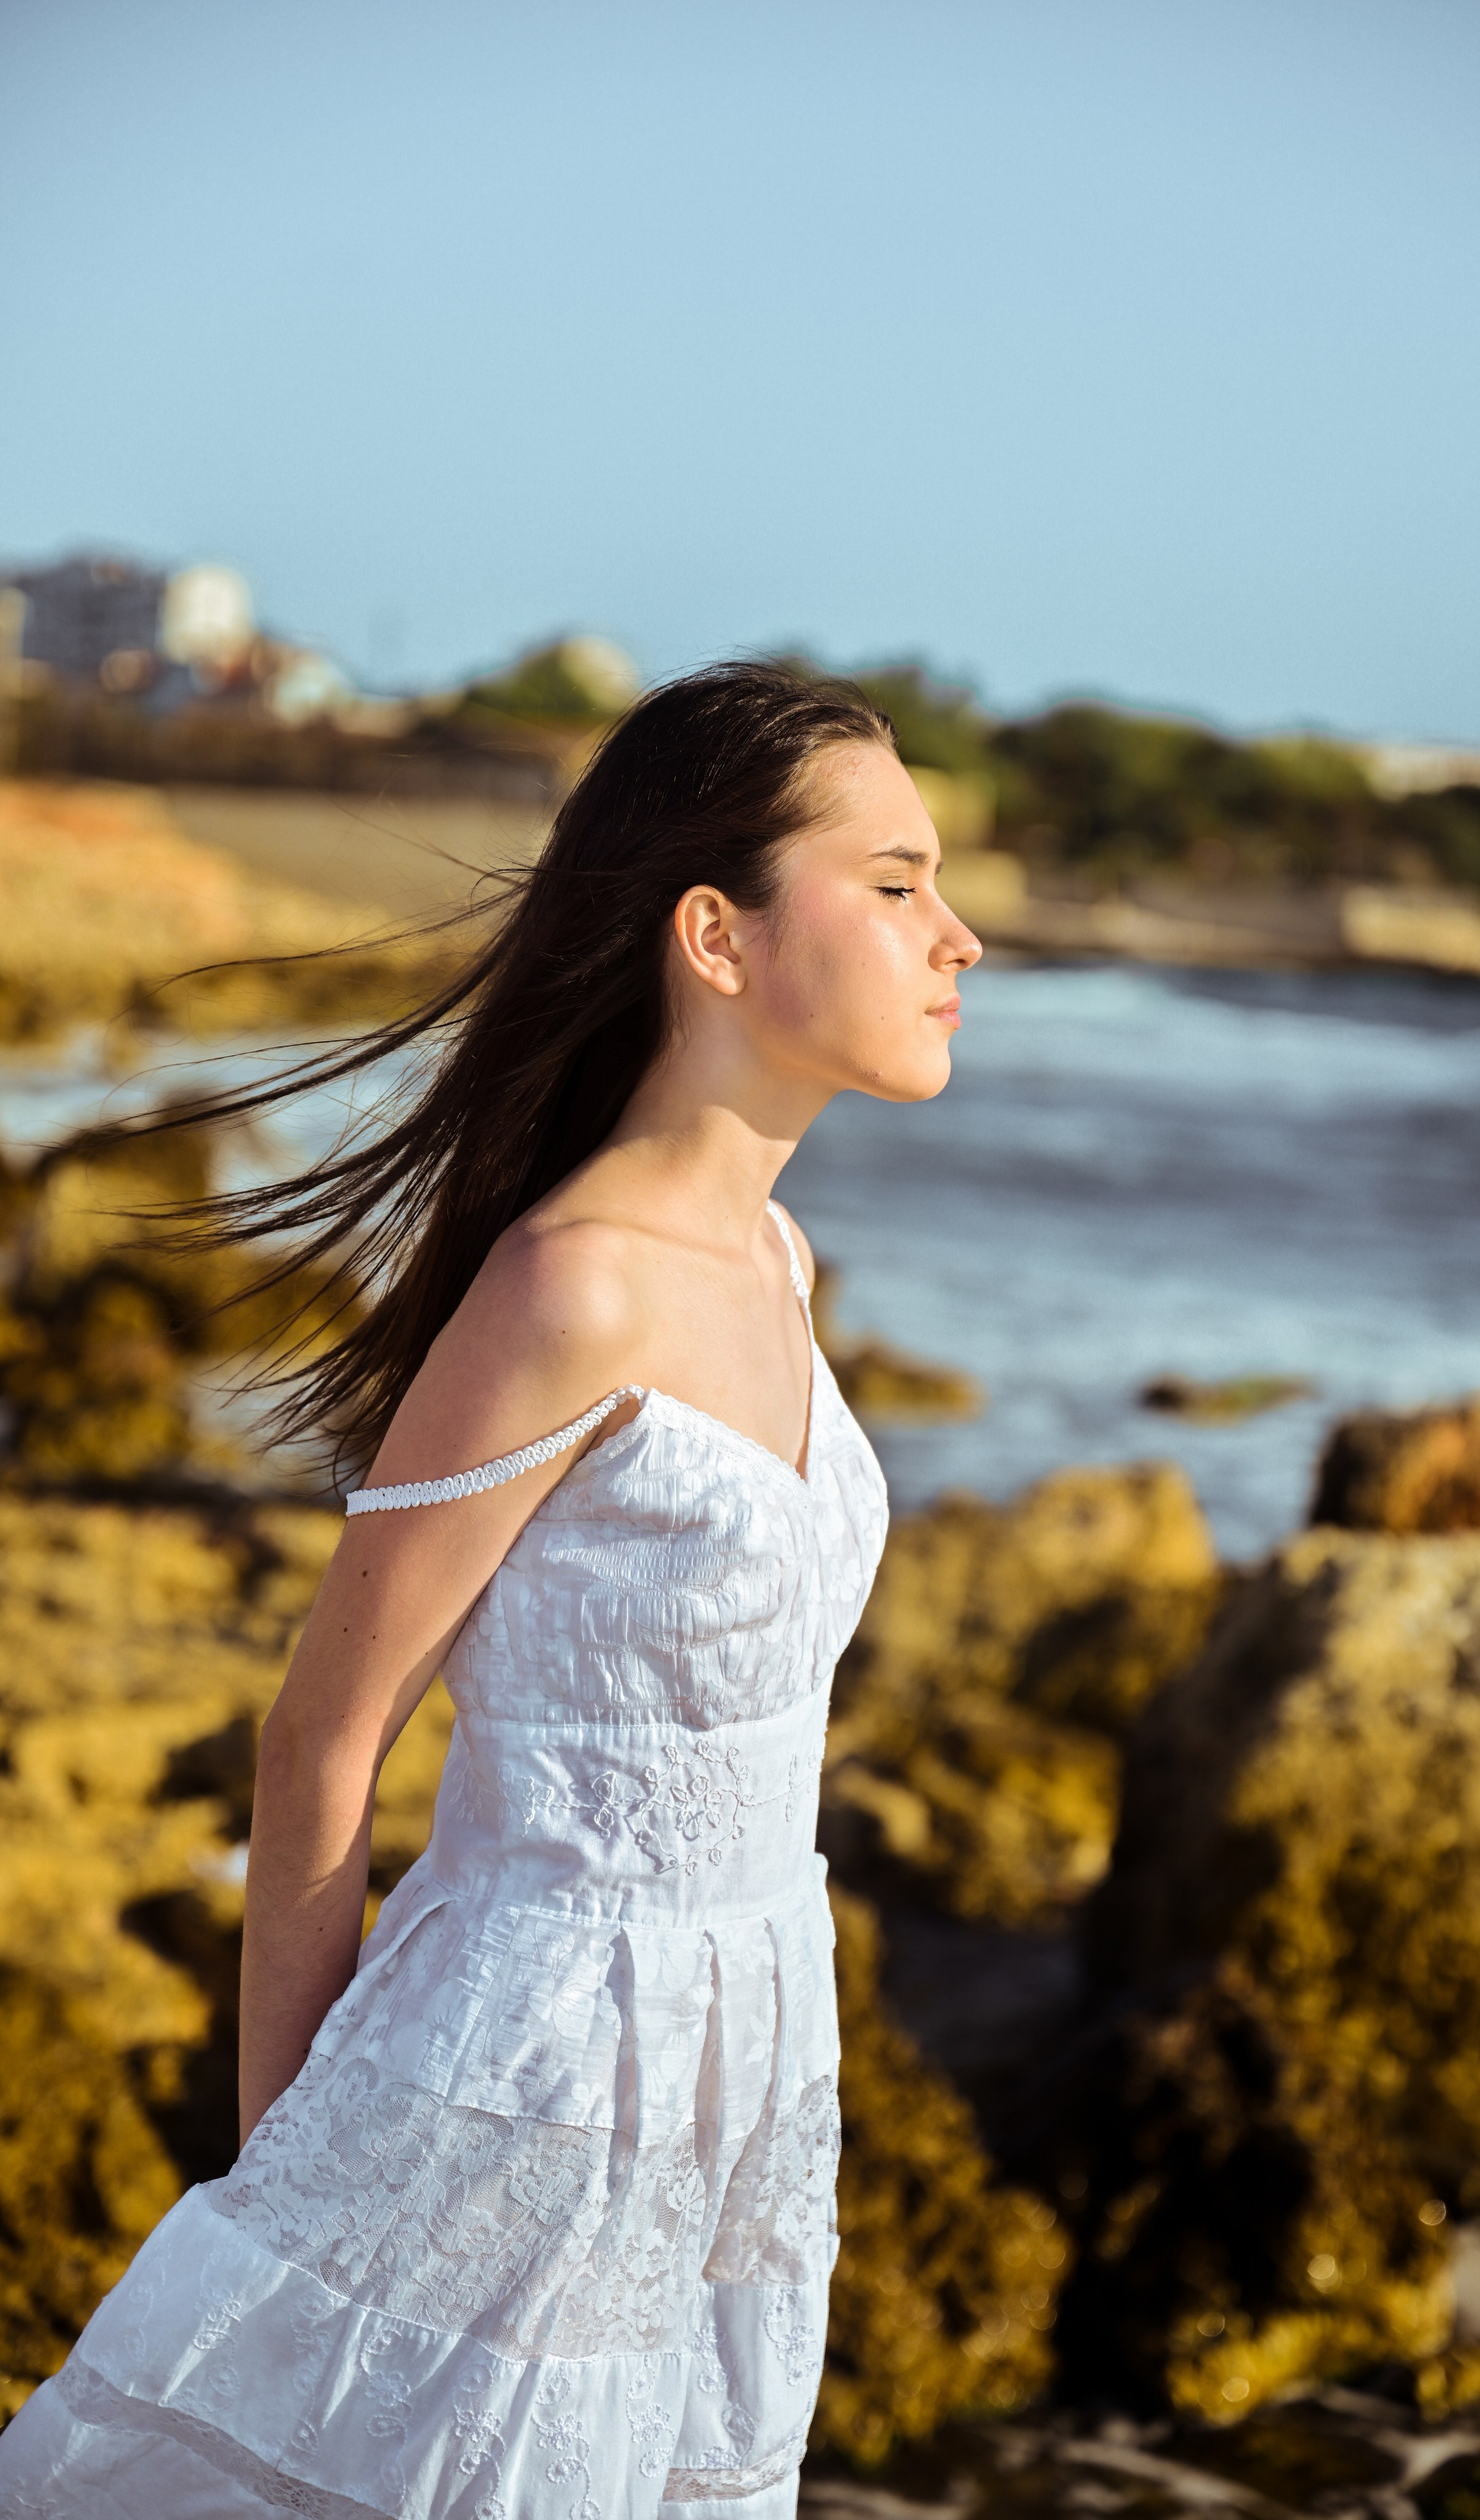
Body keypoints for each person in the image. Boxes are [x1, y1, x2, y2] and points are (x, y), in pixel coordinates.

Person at [0, 662, 981, 2519]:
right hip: (519, 2082)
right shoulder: (570, 1290)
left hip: (742, 2087)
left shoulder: (776, 1258)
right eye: (897, 882)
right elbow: (326, 1734)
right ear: (718, 936)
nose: (963, 935)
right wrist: (285, 2190)